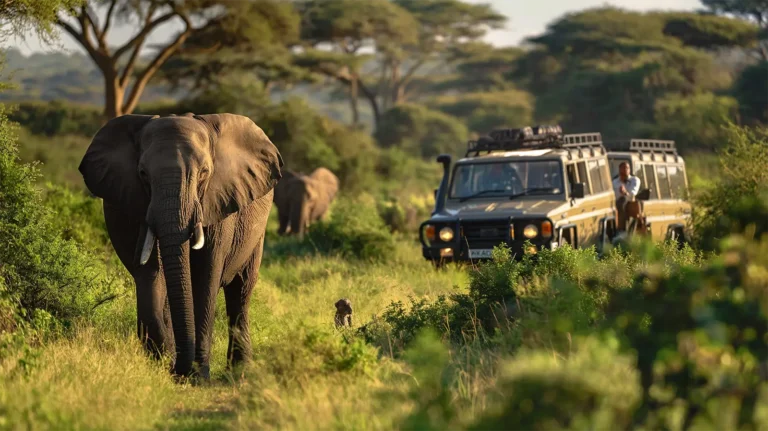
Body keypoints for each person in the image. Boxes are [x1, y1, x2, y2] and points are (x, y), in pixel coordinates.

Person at [613, 161, 640, 230]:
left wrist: (625, 192)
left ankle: (622, 228)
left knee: (623, 201)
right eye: (623, 168)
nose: (625, 170)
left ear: (629, 170)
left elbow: (633, 193)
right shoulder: (615, 182)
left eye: (627, 168)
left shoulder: (634, 180)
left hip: (629, 204)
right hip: (615, 204)